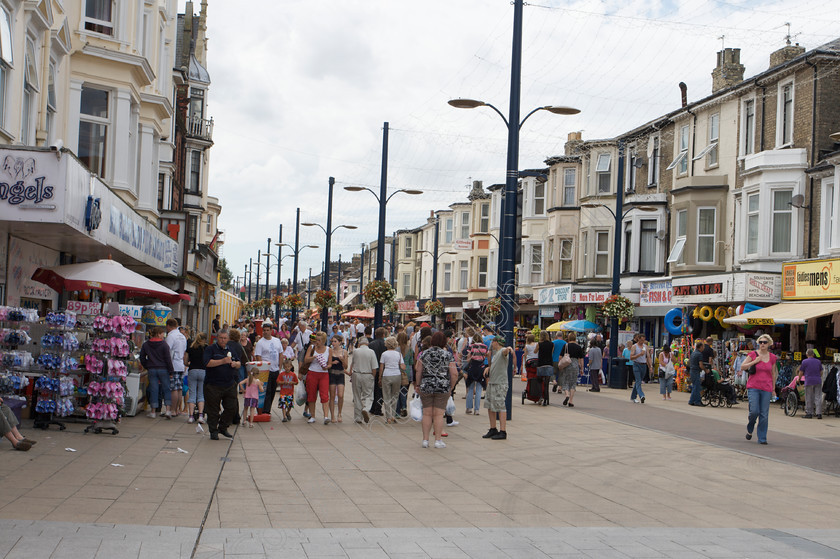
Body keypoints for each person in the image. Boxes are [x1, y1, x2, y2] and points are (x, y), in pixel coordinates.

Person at [415, 331, 458, 449]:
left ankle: (425, 440)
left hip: (426, 386)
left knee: (427, 413)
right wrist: (451, 387)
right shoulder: (447, 355)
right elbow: (454, 373)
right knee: (438, 414)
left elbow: (418, 370)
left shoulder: (424, 354)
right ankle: (438, 440)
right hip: (442, 387)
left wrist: (418, 385)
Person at [203, 329, 242, 440]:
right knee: (213, 410)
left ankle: (223, 427)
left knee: (232, 407)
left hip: (229, 383)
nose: (223, 340)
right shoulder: (210, 349)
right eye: (221, 338)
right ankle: (213, 431)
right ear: (217, 338)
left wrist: (235, 364)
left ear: (228, 339)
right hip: (213, 384)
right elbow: (207, 363)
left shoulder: (231, 349)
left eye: (225, 338)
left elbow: (239, 362)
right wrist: (222, 361)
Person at [741, 334, 778, 444]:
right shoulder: (753, 354)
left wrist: (773, 389)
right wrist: (755, 361)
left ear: (769, 344)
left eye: (765, 342)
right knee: (754, 411)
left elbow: (773, 374)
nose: (762, 344)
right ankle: (750, 426)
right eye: (760, 342)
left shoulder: (772, 357)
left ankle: (762, 438)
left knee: (764, 414)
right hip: (753, 387)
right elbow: (743, 366)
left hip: (766, 388)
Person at [140, 326, 175, 419]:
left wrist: (147, 365)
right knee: (166, 389)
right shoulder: (164, 344)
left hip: (152, 369)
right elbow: (168, 359)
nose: (164, 335)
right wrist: (171, 371)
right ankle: (167, 410)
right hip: (163, 369)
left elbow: (142, 357)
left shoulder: (146, 344)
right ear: (158, 334)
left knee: (153, 389)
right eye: (163, 333)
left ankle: (153, 412)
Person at [482, 336, 513, 440]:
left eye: (493, 342)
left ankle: (503, 431)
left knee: (500, 406)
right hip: (492, 382)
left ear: (497, 342)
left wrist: (508, 348)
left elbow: (505, 351)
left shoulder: (501, 352)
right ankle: (493, 428)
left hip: (500, 383)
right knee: (490, 405)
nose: (491, 344)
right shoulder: (495, 354)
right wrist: (489, 368)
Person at [254, 322, 282, 415]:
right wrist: (262, 368)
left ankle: (268, 408)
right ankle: (265, 410)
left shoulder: (277, 341)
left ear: (271, 331)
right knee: (267, 390)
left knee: (273, 390)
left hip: (275, 369)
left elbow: (280, 354)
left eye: (267, 330)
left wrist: (280, 367)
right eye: (264, 330)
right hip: (266, 370)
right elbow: (258, 356)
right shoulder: (260, 343)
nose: (266, 332)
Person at [303, 332, 331, 424]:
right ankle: (312, 415)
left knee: (324, 395)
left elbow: (330, 363)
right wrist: (314, 357)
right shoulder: (312, 348)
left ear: (323, 341)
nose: (317, 342)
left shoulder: (328, 350)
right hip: (312, 373)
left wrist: (327, 366)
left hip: (323, 374)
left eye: (319, 340)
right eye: (316, 340)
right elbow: (306, 359)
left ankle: (326, 416)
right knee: (311, 394)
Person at [350, 337, 378, 423]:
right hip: (367, 374)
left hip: (356, 374)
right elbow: (374, 367)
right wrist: (372, 376)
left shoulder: (356, 351)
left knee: (357, 395)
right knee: (369, 395)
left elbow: (353, 363)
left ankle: (358, 417)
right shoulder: (371, 352)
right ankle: (366, 408)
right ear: (367, 343)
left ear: (359, 343)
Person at [378, 336, 405, 424]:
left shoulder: (384, 354)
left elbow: (381, 367)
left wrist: (379, 378)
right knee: (395, 396)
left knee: (386, 396)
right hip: (396, 375)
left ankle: (388, 417)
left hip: (387, 375)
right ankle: (393, 415)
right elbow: (402, 366)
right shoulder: (399, 354)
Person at [184, 332, 208, 425]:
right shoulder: (206, 348)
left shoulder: (190, 348)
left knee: (192, 393)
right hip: (203, 371)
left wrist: (190, 363)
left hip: (192, 370)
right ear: (204, 339)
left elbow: (185, 362)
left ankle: (190, 416)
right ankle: (201, 416)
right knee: (201, 394)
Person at [165, 318, 187, 417]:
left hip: (173, 365)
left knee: (173, 388)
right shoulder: (182, 336)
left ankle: (173, 410)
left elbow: (166, 351)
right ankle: (177, 409)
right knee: (179, 388)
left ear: (168, 326)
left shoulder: (171, 336)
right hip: (180, 364)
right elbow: (184, 351)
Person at [465, 333, 488, 414]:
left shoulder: (471, 346)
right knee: (479, 389)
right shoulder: (485, 347)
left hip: (472, 367)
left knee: (470, 388)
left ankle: (469, 408)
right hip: (481, 368)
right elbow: (485, 355)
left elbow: (468, 358)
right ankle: (477, 410)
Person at [328, 334, 349, 423]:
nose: (333, 343)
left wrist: (342, 360)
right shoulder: (330, 351)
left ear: (340, 342)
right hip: (332, 374)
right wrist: (332, 362)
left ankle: (339, 413)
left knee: (340, 395)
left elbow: (346, 366)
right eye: (332, 341)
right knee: (332, 396)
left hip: (340, 374)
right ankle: (332, 415)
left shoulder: (344, 352)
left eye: (335, 341)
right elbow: (327, 364)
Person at [559, 332, 584, 407]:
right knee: (573, 383)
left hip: (567, 364)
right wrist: (582, 368)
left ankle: (567, 394)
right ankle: (571, 401)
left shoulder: (566, 345)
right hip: (575, 365)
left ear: (569, 338)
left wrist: (560, 364)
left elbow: (560, 356)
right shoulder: (578, 347)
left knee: (565, 380)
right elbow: (581, 359)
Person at [368, 327, 388, 416]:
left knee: (373, 389)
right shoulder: (386, 344)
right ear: (384, 335)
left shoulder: (371, 344)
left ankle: (372, 407)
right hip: (383, 369)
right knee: (380, 391)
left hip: (373, 369)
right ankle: (378, 408)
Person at [799, 348, 823, 419]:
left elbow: (801, 372)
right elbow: (821, 372)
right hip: (818, 380)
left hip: (809, 381)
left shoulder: (804, 362)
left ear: (807, 354)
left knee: (809, 397)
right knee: (818, 397)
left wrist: (798, 379)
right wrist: (818, 376)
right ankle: (819, 413)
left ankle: (809, 413)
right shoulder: (818, 361)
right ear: (813, 354)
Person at [630, 334, 651, 404]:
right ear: (638, 339)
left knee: (638, 382)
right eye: (641, 340)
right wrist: (639, 354)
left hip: (643, 365)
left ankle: (633, 397)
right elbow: (631, 357)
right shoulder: (634, 346)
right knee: (638, 381)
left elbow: (648, 357)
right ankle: (642, 395)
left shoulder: (645, 347)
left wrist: (650, 367)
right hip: (636, 364)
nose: (642, 341)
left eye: (643, 340)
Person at [688, 339, 705, 406]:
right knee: (697, 387)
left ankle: (692, 400)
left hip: (692, 371)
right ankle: (697, 401)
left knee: (695, 386)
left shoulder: (693, 353)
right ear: (700, 347)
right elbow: (701, 365)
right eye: (703, 347)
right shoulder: (699, 354)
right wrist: (705, 370)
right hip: (696, 371)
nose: (703, 348)